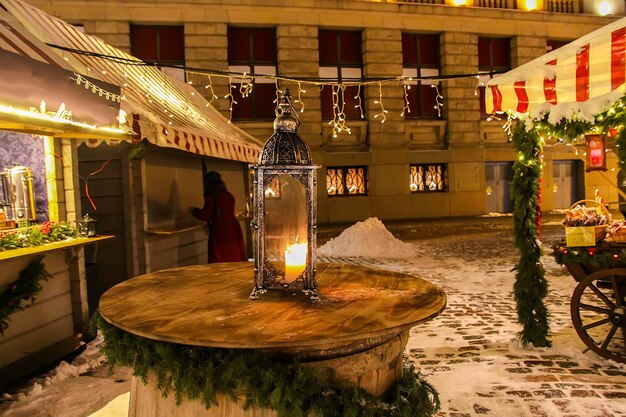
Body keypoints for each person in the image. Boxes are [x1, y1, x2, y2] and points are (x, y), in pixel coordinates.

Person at [191, 171, 247, 263]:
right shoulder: (228, 195)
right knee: (233, 255)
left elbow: (205, 215)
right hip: (233, 228)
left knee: (221, 257)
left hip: (220, 230)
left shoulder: (212, 196)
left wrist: (194, 211)